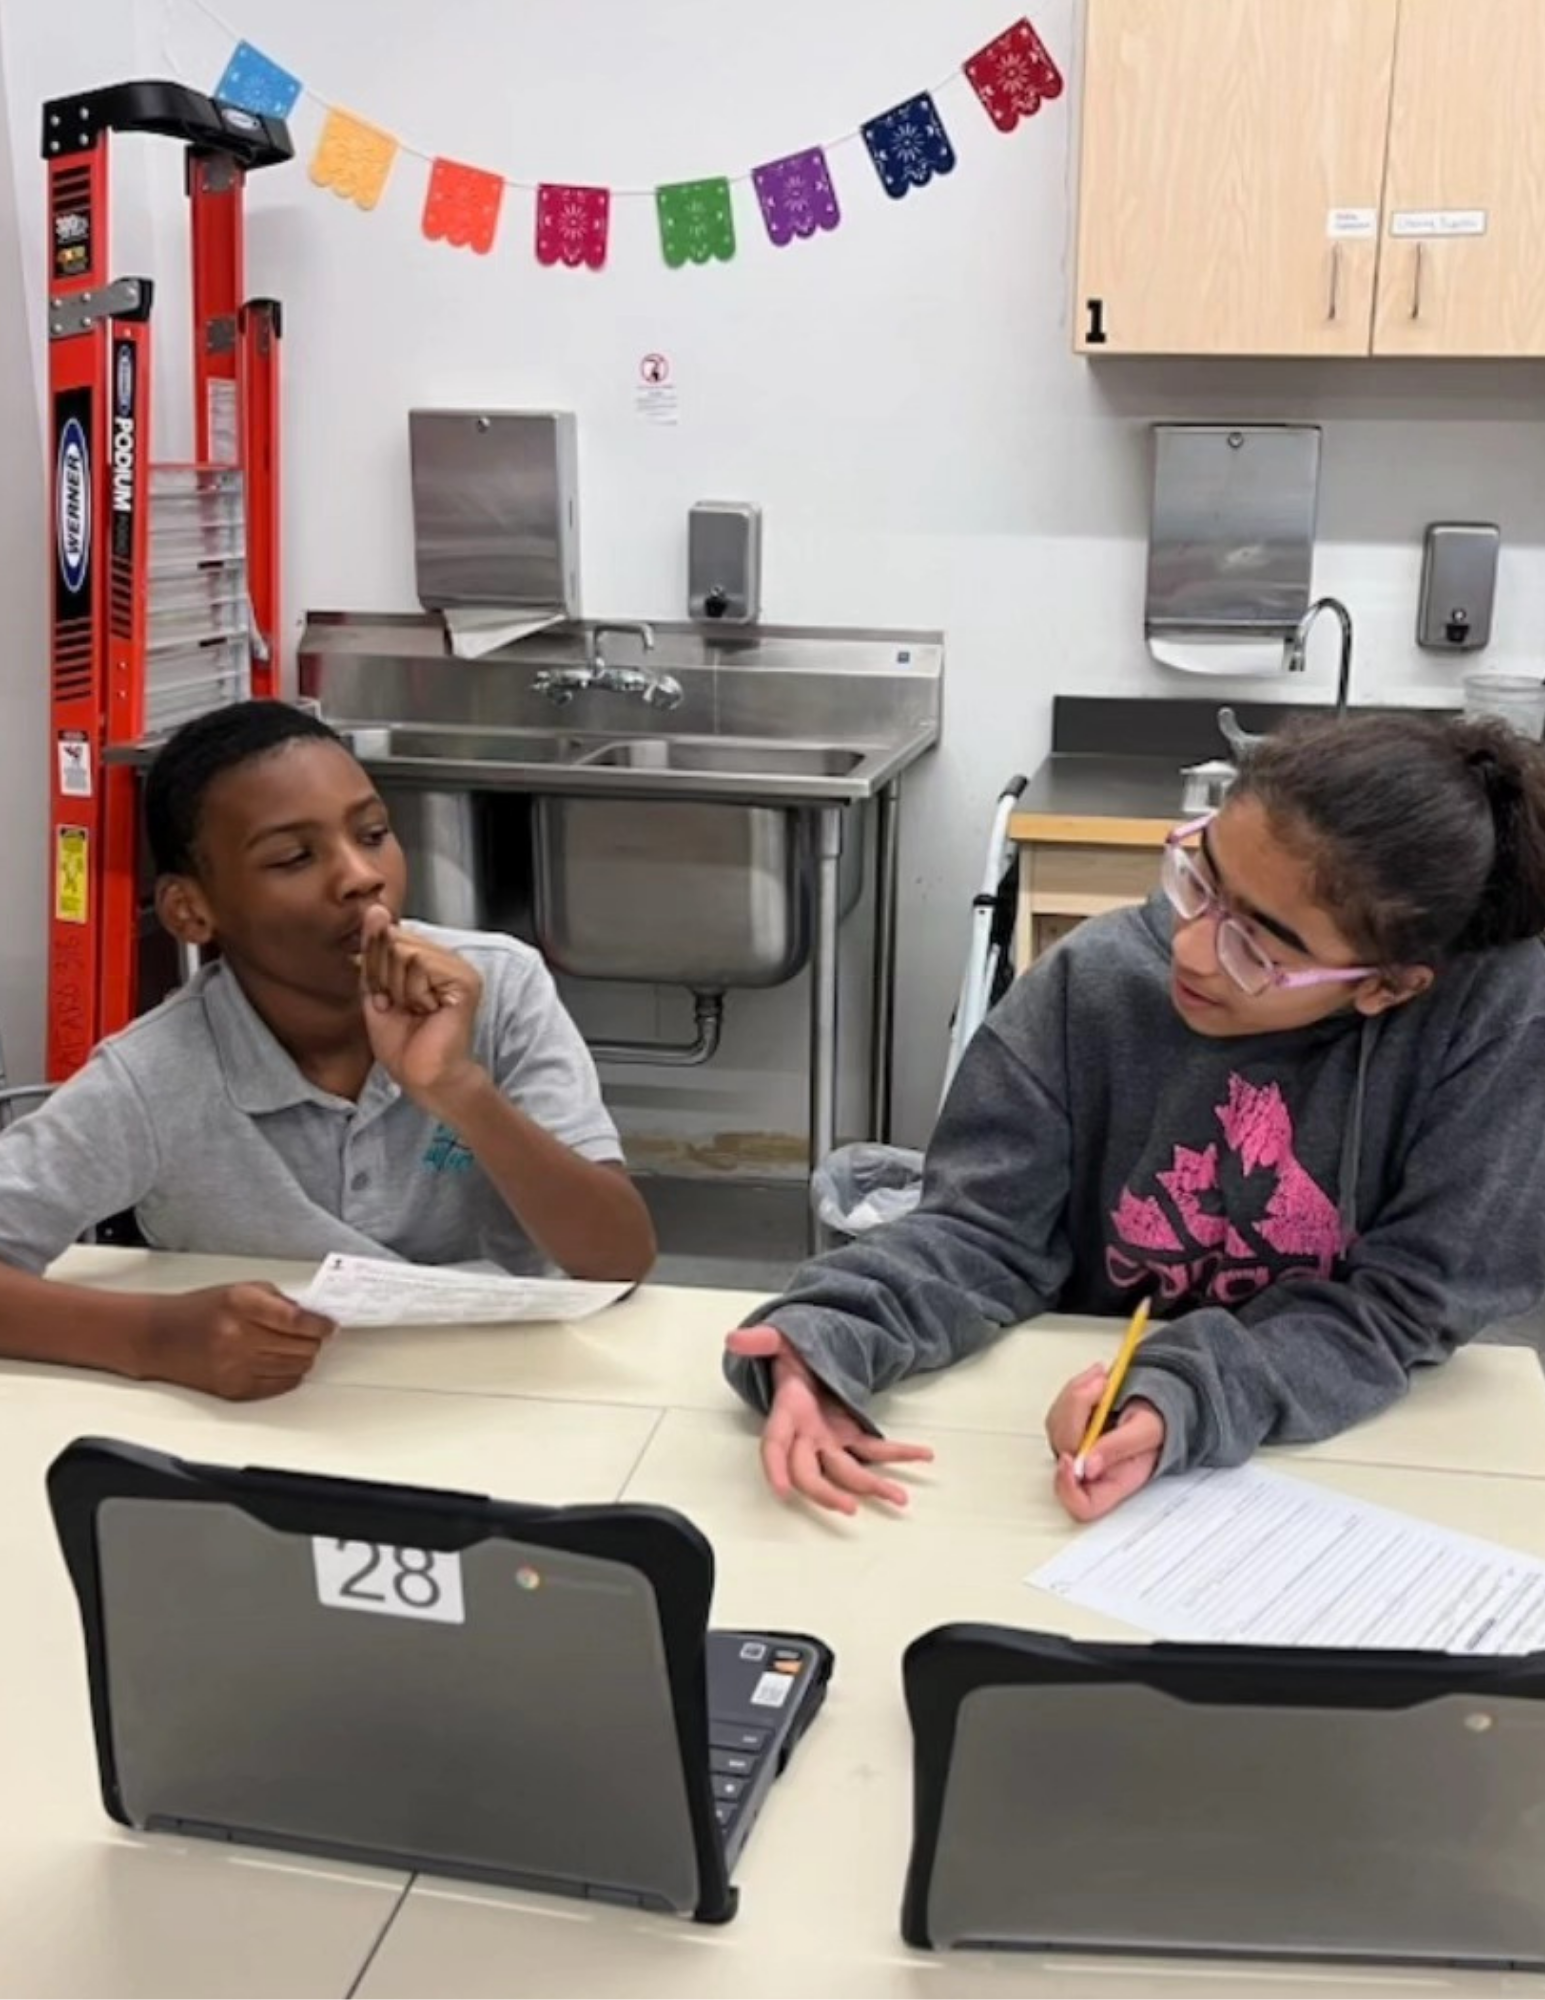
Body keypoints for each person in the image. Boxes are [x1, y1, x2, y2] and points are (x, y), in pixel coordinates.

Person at [724, 711, 1545, 1524]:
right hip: (1078, 1427)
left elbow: (1402, 1305)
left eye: (1257, 946)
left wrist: (1186, 1392)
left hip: (1349, 1460)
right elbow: (980, 1231)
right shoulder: (1094, 985)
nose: (1190, 950)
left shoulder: (1493, 1030)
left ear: (1386, 986)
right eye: (1201, 880)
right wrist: (834, 1330)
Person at [0, 700, 655, 1400]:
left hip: (511, 1395)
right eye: (293, 857)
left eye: (373, 834)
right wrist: (155, 1338)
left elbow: (617, 1262)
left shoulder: (498, 987)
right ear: (192, 911)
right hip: (281, 1409)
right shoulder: (155, 1075)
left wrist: (460, 1089)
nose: (360, 876)